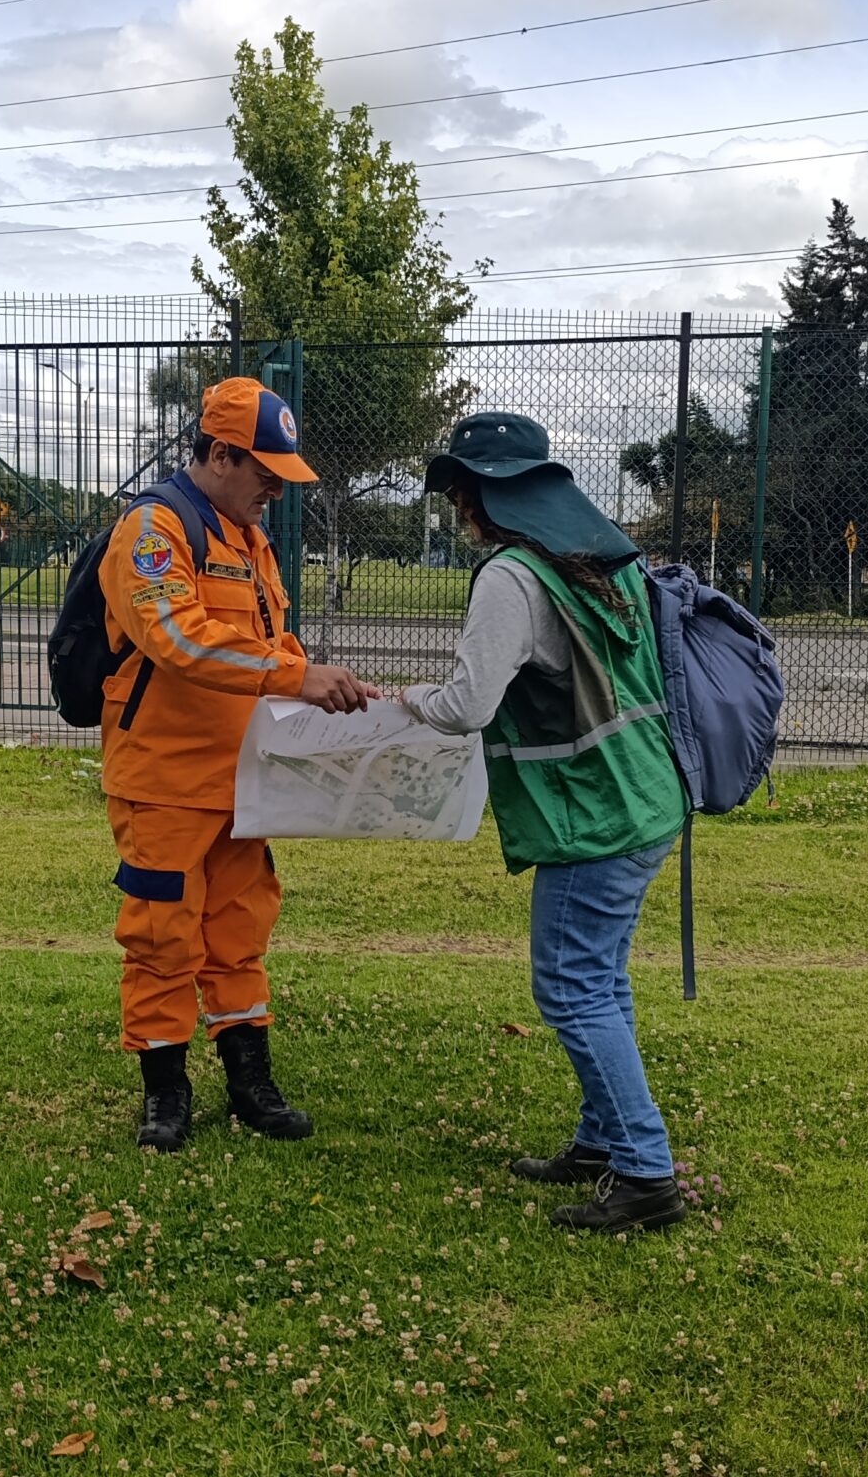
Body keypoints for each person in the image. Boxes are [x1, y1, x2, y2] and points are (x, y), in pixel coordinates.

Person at [400, 412, 690, 1235]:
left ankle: (645, 1171)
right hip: (646, 800)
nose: (461, 512)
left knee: (568, 986)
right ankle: (604, 1143)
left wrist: (401, 701)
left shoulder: (511, 577)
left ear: (485, 496)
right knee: (602, 980)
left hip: (593, 815)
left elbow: (467, 705)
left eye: (462, 494)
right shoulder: (601, 558)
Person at [98, 377, 369, 1152]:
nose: (274, 494)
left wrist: (318, 687)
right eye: (265, 474)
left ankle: (251, 1082)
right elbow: (175, 639)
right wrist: (295, 677)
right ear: (220, 454)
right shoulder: (156, 529)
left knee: (239, 931)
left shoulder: (248, 541)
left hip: (246, 781)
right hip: (166, 784)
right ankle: (165, 1091)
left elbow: (270, 647)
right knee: (162, 934)